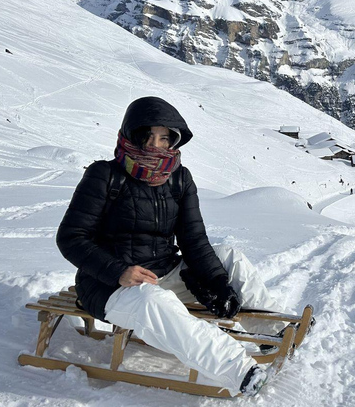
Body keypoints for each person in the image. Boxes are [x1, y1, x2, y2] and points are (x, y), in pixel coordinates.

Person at [56, 96, 284, 396]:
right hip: (109, 285)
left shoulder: (179, 179)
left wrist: (218, 284)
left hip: (165, 271)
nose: (155, 145)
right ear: (130, 134)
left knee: (230, 257)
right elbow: (70, 237)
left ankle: (270, 332)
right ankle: (239, 371)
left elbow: (193, 239)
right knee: (154, 302)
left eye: (164, 138)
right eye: (147, 135)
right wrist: (119, 271)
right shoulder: (104, 175)